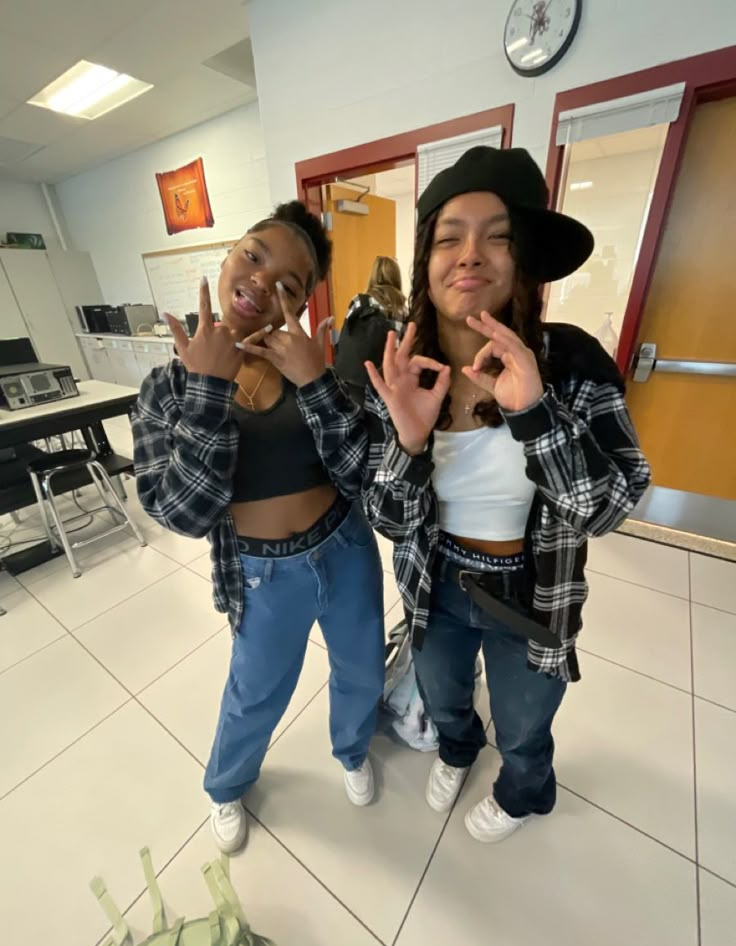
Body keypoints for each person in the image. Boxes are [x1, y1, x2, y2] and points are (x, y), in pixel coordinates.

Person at [244, 147, 651, 845]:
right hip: (438, 584)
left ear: (521, 261)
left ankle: (523, 790)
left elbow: (611, 506)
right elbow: (389, 519)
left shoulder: (573, 363)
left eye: (496, 236)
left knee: (524, 722)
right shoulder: (405, 369)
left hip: (534, 597)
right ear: (426, 268)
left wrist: (536, 416)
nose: (470, 255)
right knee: (445, 694)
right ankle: (458, 749)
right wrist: (405, 441)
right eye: (448, 237)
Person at [131, 201, 386, 855]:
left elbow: (362, 473)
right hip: (263, 572)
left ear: (298, 305)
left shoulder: (310, 365)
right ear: (225, 257)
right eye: (252, 255)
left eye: (290, 284)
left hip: (346, 546)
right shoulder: (167, 386)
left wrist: (319, 383)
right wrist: (210, 392)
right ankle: (227, 784)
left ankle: (352, 748)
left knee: (361, 668)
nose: (262, 282)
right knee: (256, 691)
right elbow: (181, 513)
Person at [333, 255, 407, 405]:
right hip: (384, 384)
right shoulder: (403, 310)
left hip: (352, 378)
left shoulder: (360, 301)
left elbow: (346, 335)